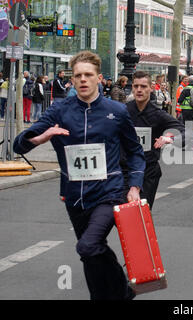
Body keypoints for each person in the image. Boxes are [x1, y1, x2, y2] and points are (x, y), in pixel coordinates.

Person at [13, 50, 146, 300]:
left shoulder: (116, 111)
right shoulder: (59, 110)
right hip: (75, 197)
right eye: (78, 76)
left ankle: (120, 289)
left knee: (87, 245)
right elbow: (18, 146)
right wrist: (39, 138)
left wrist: (134, 187)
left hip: (110, 193)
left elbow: (136, 153)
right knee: (90, 253)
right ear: (72, 80)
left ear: (99, 78)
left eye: (88, 75)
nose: (83, 80)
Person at [122, 71, 184, 209]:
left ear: (151, 88)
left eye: (143, 86)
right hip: (125, 170)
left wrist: (169, 137)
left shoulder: (158, 114)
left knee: (140, 214)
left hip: (148, 171)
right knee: (121, 214)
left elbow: (184, 131)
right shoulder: (123, 111)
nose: (139, 90)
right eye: (136, 86)